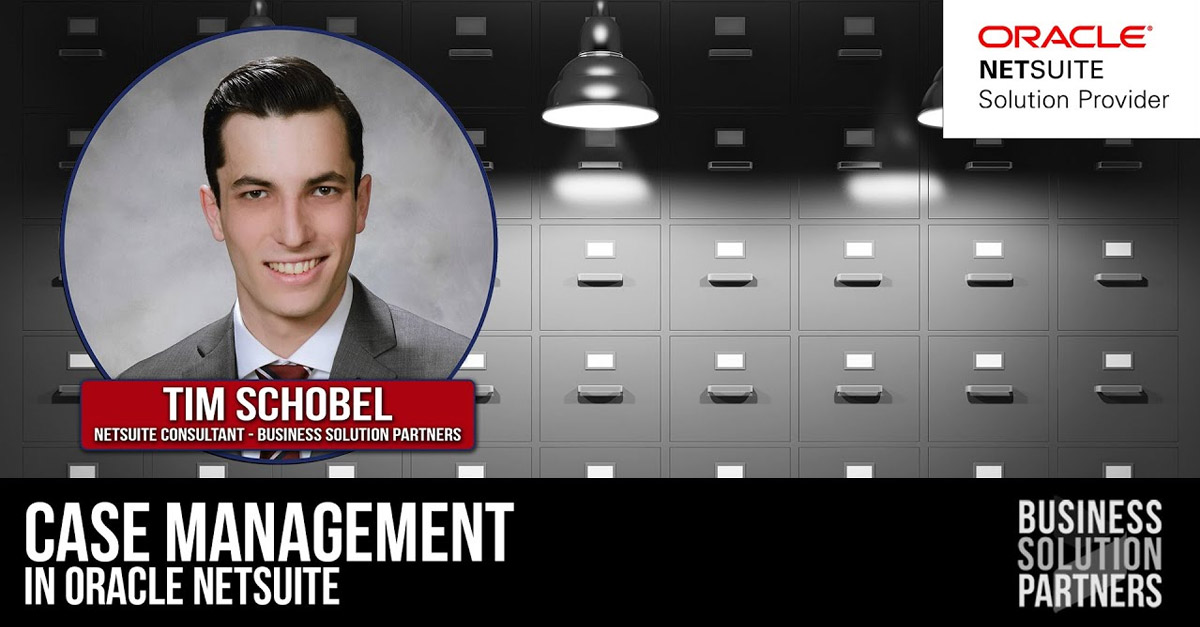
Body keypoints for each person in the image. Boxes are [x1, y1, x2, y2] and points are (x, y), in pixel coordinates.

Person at [121, 56, 470, 396]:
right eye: (256, 194)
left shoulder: (458, 377)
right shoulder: (135, 395)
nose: (294, 235)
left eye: (322, 191)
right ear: (214, 212)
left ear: (361, 203)